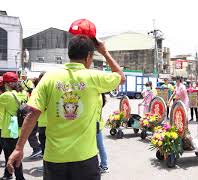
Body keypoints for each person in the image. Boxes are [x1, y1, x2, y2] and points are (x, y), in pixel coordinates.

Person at [7, 35, 125, 180]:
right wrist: (104, 52)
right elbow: (121, 77)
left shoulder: (49, 78)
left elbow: (32, 114)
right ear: (89, 56)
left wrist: (19, 148)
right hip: (85, 158)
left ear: (70, 54)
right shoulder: (94, 77)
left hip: (55, 159)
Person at [0, 72, 26, 180]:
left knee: (11, 155)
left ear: (7, 83)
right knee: (15, 153)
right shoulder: (24, 93)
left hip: (9, 129)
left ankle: (20, 177)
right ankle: (8, 174)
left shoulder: (5, 96)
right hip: (21, 128)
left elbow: (0, 114)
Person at [34, 72, 46, 172]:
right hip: (48, 123)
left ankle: (46, 167)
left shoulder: (40, 91)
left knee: (45, 147)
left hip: (44, 123)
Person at [97, 93, 108, 173]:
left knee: (100, 146)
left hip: (95, 124)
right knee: (100, 146)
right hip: (98, 124)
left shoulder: (98, 96)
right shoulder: (101, 96)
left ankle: (104, 165)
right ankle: (104, 165)